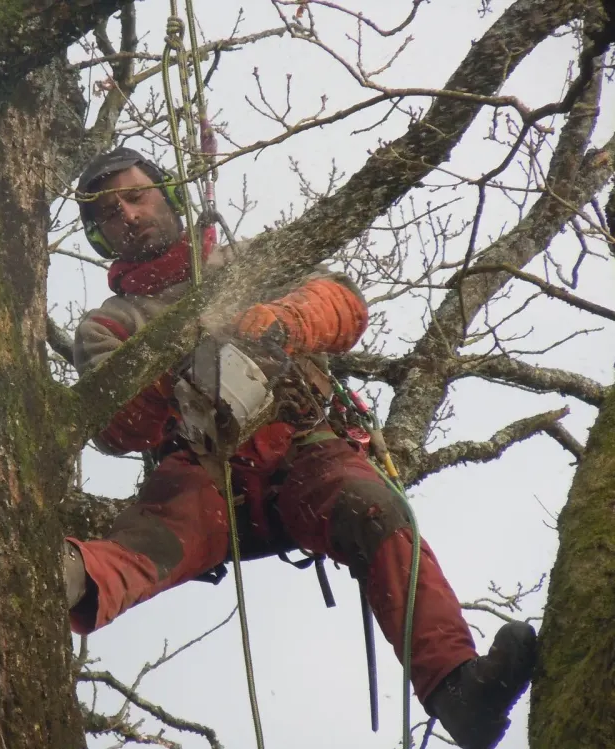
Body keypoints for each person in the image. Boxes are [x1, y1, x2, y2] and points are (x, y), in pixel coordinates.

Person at [62, 147, 537, 749]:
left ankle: (457, 690)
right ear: (99, 235)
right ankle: (60, 577)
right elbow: (111, 427)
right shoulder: (111, 325)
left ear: (172, 194)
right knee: (144, 544)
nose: (126, 214)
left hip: (304, 443)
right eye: (107, 212)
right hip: (206, 469)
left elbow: (343, 301)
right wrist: (169, 376)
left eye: (135, 195)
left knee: (377, 512)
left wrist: (281, 323)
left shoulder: (249, 263)